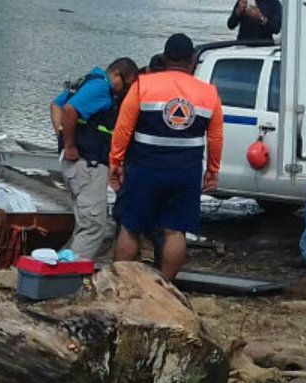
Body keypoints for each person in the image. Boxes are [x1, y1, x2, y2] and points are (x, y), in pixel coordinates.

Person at [109, 33, 223, 281]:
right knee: (175, 231)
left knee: (130, 227)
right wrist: (212, 170)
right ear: (192, 61)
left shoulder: (143, 85)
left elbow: (123, 129)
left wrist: (115, 162)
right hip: (186, 171)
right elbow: (215, 138)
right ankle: (165, 286)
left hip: (144, 168)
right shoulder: (209, 93)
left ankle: (121, 285)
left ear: (163, 57)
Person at [50, 58, 138, 261]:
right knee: (94, 227)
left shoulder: (88, 81)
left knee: (87, 223)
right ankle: (67, 275)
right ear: (116, 75)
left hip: (79, 166)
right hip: (88, 165)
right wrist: (69, 144)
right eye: (126, 86)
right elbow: (69, 110)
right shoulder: (101, 88)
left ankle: (61, 262)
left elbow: (56, 105)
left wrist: (61, 136)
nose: (125, 91)